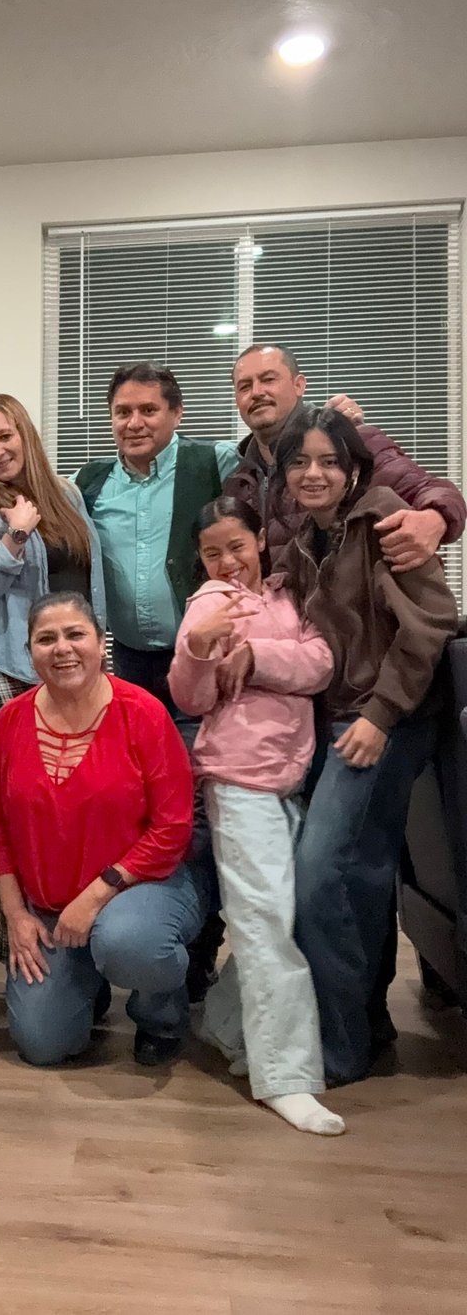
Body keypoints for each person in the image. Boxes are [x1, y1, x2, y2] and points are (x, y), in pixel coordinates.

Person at [272, 408, 458, 1086]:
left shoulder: (382, 519)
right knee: (361, 873)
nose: (312, 473)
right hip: (334, 721)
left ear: (352, 469)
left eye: (326, 461)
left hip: (388, 722)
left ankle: (340, 1049)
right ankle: (368, 1028)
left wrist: (381, 715)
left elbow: (433, 618)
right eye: (299, 462)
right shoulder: (304, 540)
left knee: (322, 872)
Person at [168, 498, 343, 1135]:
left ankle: (217, 1021)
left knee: (281, 916)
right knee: (266, 923)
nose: (226, 561)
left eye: (236, 546)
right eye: (212, 552)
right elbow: (187, 695)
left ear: (259, 541)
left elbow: (322, 662)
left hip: (296, 778)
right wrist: (201, 648)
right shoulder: (206, 602)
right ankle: (288, 1078)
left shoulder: (290, 597)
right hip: (236, 779)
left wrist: (259, 659)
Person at [0, 592, 209, 1068]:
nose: (62, 648)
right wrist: (16, 915)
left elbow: (173, 828)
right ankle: (87, 982)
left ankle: (160, 1014)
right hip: (48, 909)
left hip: (143, 891)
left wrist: (94, 897)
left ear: (100, 644)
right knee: (43, 1045)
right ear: (29, 652)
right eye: (46, 639)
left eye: (75, 634)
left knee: (130, 943)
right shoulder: (10, 721)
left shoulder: (143, 713)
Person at [75, 362, 238, 712]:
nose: (134, 423)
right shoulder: (89, 482)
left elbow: (281, 467)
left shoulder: (214, 463)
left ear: (177, 413)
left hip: (203, 653)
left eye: (149, 410)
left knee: (201, 757)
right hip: (127, 659)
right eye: (122, 412)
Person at [226, 343, 465, 566]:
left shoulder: (347, 442)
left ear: (299, 385)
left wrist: (435, 520)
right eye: (244, 386)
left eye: (268, 379)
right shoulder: (239, 480)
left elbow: (434, 490)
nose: (257, 392)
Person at [0, 393, 106, 732]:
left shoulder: (67, 496)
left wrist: (97, 647)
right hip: (3, 667)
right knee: (32, 780)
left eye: (5, 436)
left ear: (26, 435)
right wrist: (15, 537)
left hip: (71, 661)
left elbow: (90, 580)